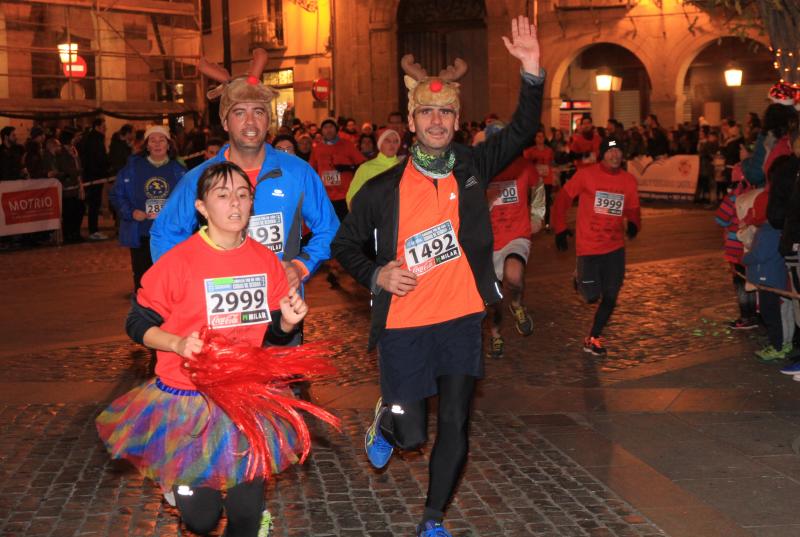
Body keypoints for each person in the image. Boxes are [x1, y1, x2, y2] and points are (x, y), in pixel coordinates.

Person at [331, 16, 543, 537]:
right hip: (404, 325)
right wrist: (377, 274)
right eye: (427, 111)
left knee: (454, 421)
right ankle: (387, 419)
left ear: (456, 118)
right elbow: (342, 246)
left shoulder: (472, 165)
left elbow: (520, 131)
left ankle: (432, 519)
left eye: (446, 111)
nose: (437, 120)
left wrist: (532, 71)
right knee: (409, 436)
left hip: (461, 318)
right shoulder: (382, 188)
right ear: (412, 119)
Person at [96, 162, 317, 537]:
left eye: (243, 195)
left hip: (244, 398)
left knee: (247, 515)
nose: (235, 203)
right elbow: (136, 323)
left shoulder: (265, 261)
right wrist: (177, 343)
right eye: (223, 195)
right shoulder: (179, 261)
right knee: (202, 519)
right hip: (186, 400)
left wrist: (287, 324)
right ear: (201, 206)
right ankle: (176, 484)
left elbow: (273, 336)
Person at [150, 48, 339, 296]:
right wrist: (185, 287)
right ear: (226, 122)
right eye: (239, 113)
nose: (250, 122)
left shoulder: (297, 172)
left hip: (280, 306)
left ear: (267, 120)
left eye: (258, 112)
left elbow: (329, 228)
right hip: (220, 308)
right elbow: (164, 234)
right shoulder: (198, 178)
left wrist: (301, 266)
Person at [552, 138, 641, 356]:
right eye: (611, 151)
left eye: (619, 150)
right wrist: (560, 228)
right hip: (589, 247)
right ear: (602, 154)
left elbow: (633, 207)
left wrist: (633, 224)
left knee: (611, 296)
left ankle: (593, 338)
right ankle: (579, 277)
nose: (615, 155)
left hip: (614, 248)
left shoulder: (628, 180)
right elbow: (562, 199)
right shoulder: (586, 175)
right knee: (591, 296)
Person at [109, 125, 186, 291]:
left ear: (169, 144)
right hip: (141, 233)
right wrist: (130, 212)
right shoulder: (132, 169)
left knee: (170, 279)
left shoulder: (179, 171)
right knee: (143, 280)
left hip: (170, 234)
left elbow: (188, 201)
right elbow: (116, 195)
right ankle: (144, 314)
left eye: (162, 140)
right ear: (147, 145)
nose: (157, 144)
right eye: (153, 140)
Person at [486, 123, 538, 359]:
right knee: (493, 298)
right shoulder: (481, 169)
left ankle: (517, 305)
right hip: (488, 240)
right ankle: (496, 335)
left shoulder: (524, 167)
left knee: (514, 275)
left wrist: (538, 215)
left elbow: (538, 190)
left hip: (516, 234)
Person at [309, 117, 366, 222]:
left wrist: (348, 168)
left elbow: (362, 165)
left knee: (345, 227)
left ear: (336, 129)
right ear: (321, 131)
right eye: (325, 127)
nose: (328, 130)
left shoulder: (347, 145)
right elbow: (311, 171)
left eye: (331, 127)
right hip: (325, 197)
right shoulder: (317, 149)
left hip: (346, 195)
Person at [345, 129, 402, 209]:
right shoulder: (366, 168)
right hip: (373, 218)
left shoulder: (404, 167)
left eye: (396, 141)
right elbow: (352, 196)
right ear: (380, 144)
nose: (392, 144)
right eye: (387, 141)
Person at [79, 118, 111, 240]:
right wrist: (105, 170)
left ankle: (94, 229)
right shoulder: (95, 140)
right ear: (97, 126)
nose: (105, 128)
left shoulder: (91, 138)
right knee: (94, 204)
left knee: (94, 204)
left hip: (93, 175)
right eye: (103, 126)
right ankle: (93, 230)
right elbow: (98, 158)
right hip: (94, 176)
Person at [523, 129, 555, 229]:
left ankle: (547, 223)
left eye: (542, 136)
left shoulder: (549, 150)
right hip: (534, 180)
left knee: (547, 202)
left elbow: (551, 163)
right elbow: (525, 164)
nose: (540, 138)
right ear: (535, 138)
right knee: (533, 201)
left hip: (547, 179)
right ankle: (533, 223)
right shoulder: (530, 151)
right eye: (538, 136)